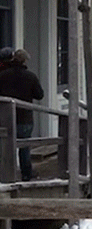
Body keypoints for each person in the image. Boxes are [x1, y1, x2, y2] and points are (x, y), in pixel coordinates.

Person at [0, 49, 44, 181]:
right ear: (24, 61)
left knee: (5, 146)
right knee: (24, 147)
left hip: (5, 117)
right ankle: (26, 173)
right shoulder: (30, 76)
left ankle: (5, 174)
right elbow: (39, 95)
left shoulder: (2, 76)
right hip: (25, 117)